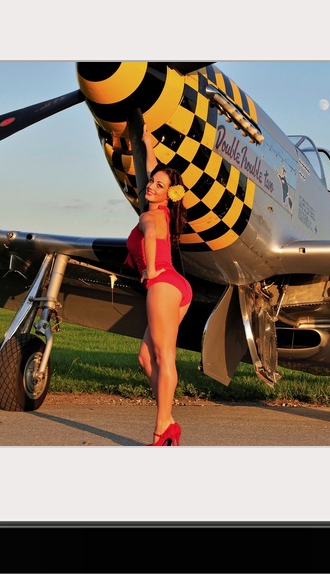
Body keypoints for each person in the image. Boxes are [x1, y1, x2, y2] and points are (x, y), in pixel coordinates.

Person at [124, 125, 192, 446]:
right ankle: (169, 421)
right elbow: (150, 164)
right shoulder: (162, 210)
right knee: (146, 358)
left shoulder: (151, 217)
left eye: (159, 184)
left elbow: (149, 237)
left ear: (169, 193)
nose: (151, 185)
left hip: (163, 282)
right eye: (152, 181)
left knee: (164, 357)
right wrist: (146, 138)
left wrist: (149, 270)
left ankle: (161, 429)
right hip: (175, 285)